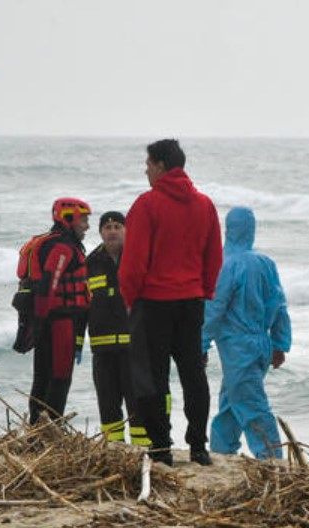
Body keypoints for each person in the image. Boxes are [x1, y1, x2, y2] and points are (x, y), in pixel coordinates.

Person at [120, 139, 223, 466]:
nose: (145, 170)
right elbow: (214, 256)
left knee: (152, 376)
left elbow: (134, 260)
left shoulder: (147, 205)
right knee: (193, 373)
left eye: (148, 164)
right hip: (191, 300)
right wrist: (204, 290)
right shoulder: (204, 204)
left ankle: (161, 446)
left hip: (153, 301)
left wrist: (128, 297)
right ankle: (198, 447)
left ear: (161, 166)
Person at [202, 207, 291, 460]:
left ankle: (272, 459)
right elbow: (280, 305)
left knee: (252, 405)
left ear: (227, 229)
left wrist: (201, 343)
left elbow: (214, 308)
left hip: (237, 345)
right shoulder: (266, 263)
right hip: (261, 342)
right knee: (232, 403)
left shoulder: (225, 264)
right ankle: (221, 452)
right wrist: (279, 343)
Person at [22, 198, 92, 424]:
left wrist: (38, 323)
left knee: (42, 378)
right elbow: (50, 283)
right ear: (69, 218)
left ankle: (37, 428)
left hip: (46, 321)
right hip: (59, 322)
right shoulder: (62, 247)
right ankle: (51, 429)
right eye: (83, 220)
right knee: (59, 378)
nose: (87, 226)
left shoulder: (53, 243)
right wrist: (42, 321)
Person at [86, 211, 148, 446]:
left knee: (138, 403)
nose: (112, 231)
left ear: (127, 231)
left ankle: (144, 449)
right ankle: (114, 449)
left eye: (117, 226)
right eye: (107, 227)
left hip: (134, 347)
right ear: (100, 232)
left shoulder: (138, 258)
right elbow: (82, 306)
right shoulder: (90, 263)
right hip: (102, 350)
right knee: (108, 403)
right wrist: (77, 342)